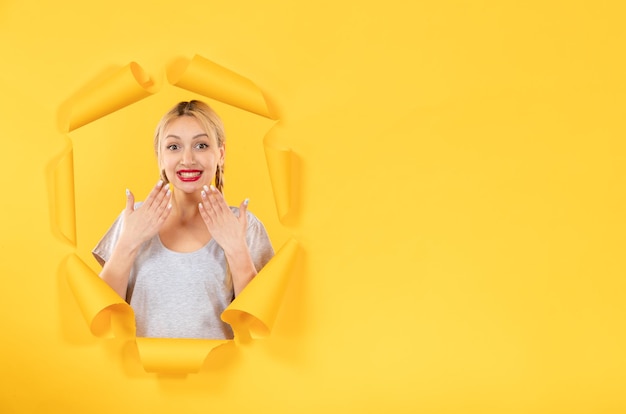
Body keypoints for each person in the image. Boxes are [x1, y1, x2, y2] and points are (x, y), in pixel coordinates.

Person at [92, 100, 274, 339]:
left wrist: (236, 249)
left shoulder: (244, 226)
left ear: (220, 153)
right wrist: (129, 242)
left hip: (222, 374)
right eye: (174, 147)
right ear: (160, 156)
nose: (187, 159)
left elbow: (258, 327)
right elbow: (103, 317)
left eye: (201, 145)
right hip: (141, 374)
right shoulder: (133, 219)